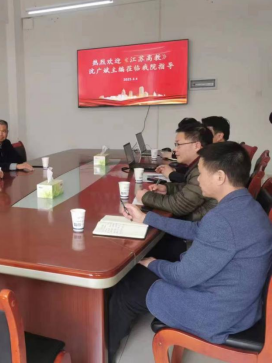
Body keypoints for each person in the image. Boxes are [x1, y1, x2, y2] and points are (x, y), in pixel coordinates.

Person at [108, 142, 272, 362]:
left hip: (217, 315)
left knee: (129, 286)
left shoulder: (224, 220)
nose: (198, 179)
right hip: (240, 305)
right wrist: (146, 218)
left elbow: (183, 276)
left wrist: (152, 263)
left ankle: (103, 352)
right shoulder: (246, 206)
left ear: (220, 177)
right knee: (166, 252)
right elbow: (197, 229)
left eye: (202, 173)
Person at [139, 122, 216, 222]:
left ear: (196, 145)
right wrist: (167, 189)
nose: (175, 149)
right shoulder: (202, 163)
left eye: (178, 144)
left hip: (198, 226)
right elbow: (189, 188)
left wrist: (145, 197)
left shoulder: (203, 169)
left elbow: (179, 206)